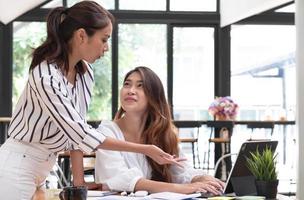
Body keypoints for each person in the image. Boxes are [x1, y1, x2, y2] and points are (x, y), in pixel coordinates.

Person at [0, 2, 180, 199]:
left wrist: (79, 182)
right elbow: (81, 133)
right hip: (17, 164)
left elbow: (76, 130)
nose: (106, 48)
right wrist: (146, 149)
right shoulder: (46, 77)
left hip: (44, 166)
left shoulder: (85, 73)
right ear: (81, 36)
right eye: (104, 39)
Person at [91, 66, 224, 195]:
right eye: (127, 84)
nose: (130, 90)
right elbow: (121, 179)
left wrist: (201, 179)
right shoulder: (107, 131)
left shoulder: (162, 134)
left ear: (154, 96)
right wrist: (181, 188)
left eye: (140, 86)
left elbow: (180, 170)